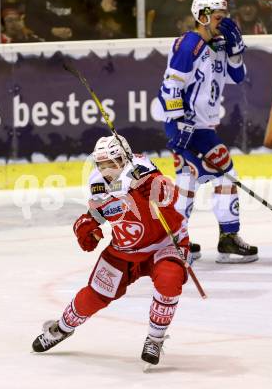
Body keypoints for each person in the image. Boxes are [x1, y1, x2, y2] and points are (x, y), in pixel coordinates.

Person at [32, 135, 189, 366]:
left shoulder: (143, 170)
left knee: (169, 280)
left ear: (124, 158)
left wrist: (157, 191)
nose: (107, 170)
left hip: (164, 243)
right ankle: (63, 327)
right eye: (102, 165)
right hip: (125, 250)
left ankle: (154, 339)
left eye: (112, 163)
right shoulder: (97, 182)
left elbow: (171, 195)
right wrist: (86, 225)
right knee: (95, 295)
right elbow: (101, 211)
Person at [157, 0, 258, 264]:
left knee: (188, 181)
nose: (223, 23)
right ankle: (225, 238)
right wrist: (180, 123)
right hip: (187, 126)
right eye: (217, 17)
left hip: (202, 127)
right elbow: (171, 86)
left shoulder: (219, 46)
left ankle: (176, 241)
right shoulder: (189, 43)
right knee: (224, 174)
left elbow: (238, 77)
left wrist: (236, 52)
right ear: (202, 16)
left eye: (225, 17)